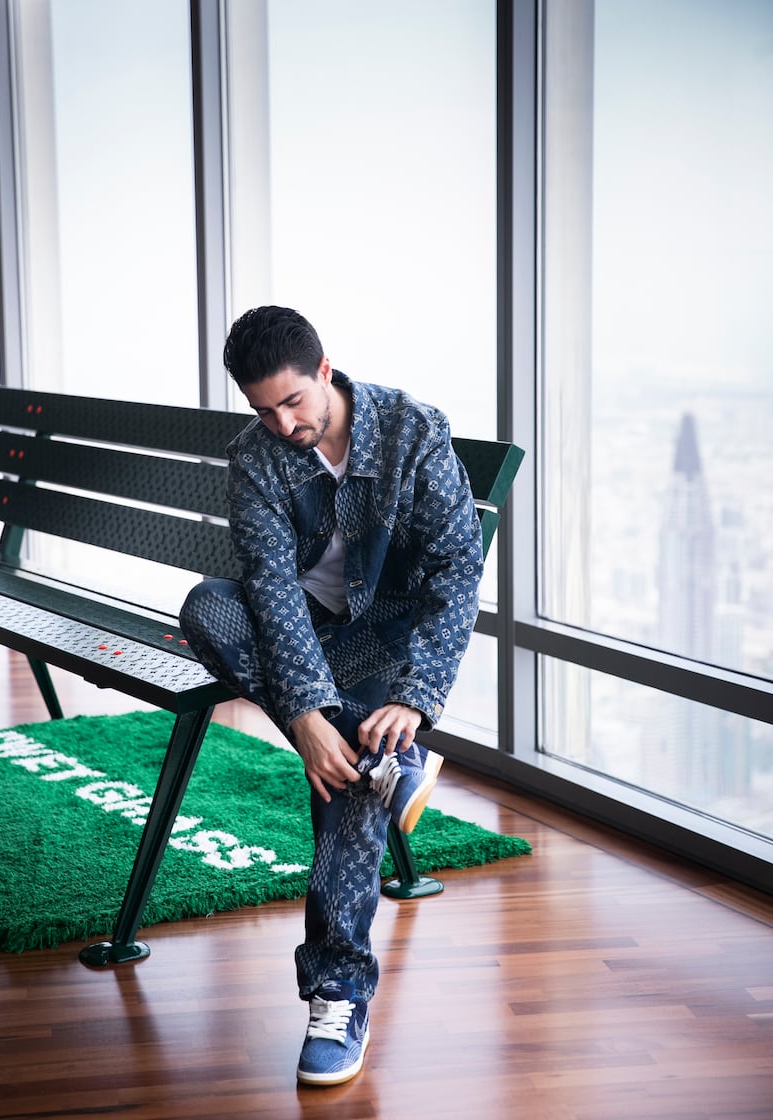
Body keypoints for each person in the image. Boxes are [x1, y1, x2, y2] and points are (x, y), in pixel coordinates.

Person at [180, 306, 483, 1086]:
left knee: (351, 768)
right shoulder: (255, 457)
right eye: (263, 410)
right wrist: (308, 716)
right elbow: (271, 588)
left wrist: (416, 699)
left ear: (325, 371)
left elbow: (456, 571)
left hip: (387, 634)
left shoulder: (413, 430)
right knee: (206, 607)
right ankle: (388, 763)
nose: (282, 424)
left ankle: (338, 989)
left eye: (293, 402)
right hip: (309, 635)